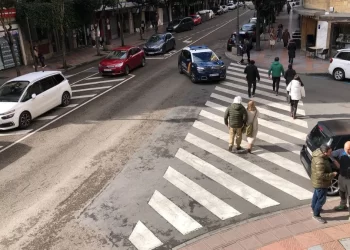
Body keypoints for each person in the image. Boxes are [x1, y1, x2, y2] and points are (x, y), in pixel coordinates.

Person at [311, 144, 337, 224]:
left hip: (317, 181)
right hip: (321, 183)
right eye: (330, 152)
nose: (331, 153)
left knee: (316, 195)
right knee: (321, 200)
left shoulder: (318, 155)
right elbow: (321, 175)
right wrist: (332, 174)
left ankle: (314, 208)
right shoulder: (320, 161)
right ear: (325, 152)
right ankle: (316, 215)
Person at [331, 142, 350, 214]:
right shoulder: (340, 152)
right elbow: (330, 154)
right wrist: (334, 161)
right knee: (342, 192)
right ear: (344, 148)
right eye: (347, 149)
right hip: (342, 176)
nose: (349, 151)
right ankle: (343, 205)